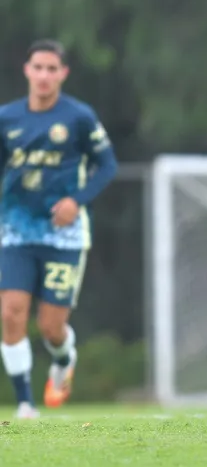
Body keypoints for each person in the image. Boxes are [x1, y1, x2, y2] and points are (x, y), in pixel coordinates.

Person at [0, 40, 117, 419]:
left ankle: (64, 359)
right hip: (16, 231)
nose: (45, 75)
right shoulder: (7, 118)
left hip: (63, 236)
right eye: (39, 67)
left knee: (50, 327)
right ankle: (24, 403)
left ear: (63, 74)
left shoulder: (79, 117)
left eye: (53, 69)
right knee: (11, 313)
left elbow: (108, 165)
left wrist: (76, 201)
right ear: (27, 71)